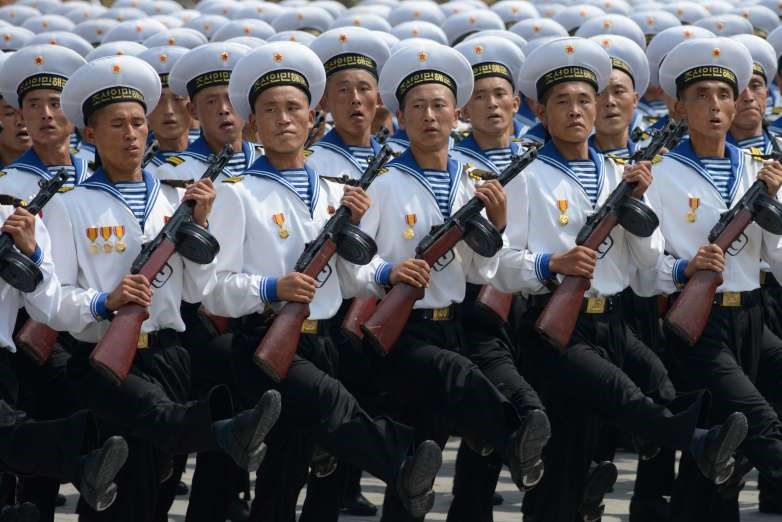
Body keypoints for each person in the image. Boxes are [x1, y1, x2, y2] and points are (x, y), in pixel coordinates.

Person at [491, 36, 748, 522]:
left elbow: (645, 267)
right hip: (553, 325)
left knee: (576, 451)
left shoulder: (618, 175)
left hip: (611, 321)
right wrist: (551, 264)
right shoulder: (525, 176)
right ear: (540, 112)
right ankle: (697, 440)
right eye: (562, 102)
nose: (576, 111)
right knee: (617, 399)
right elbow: (499, 265)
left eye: (584, 100)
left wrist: (639, 210)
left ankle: (697, 443)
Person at [204, 41, 443, 522]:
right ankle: (400, 459)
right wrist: (272, 289)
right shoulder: (237, 194)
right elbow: (215, 289)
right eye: (270, 110)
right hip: (266, 340)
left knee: (287, 468)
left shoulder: (338, 195)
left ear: (313, 118)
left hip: (323, 341)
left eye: (294, 108)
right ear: (253, 124)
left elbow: (352, 276)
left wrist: (388, 272)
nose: (283, 119)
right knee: (335, 405)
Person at [41, 54, 281, 522]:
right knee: (123, 482)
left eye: (137, 123)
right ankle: (224, 430)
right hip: (106, 357)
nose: (131, 134)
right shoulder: (70, 206)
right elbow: (52, 299)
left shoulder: (173, 199)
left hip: (169, 354)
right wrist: (103, 301)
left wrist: (201, 227)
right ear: (89, 134)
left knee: (153, 488)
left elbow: (195, 291)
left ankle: (221, 430)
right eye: (116, 125)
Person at [355, 40, 551, 522]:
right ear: (399, 117)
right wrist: (388, 271)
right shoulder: (383, 183)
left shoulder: (471, 182)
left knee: (421, 456)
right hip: (402, 331)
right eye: (417, 107)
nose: (430, 116)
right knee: (456, 376)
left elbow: (481, 273)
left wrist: (497, 228)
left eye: (439, 105)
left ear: (456, 114)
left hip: (453, 324)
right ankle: (511, 436)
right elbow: (352, 267)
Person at [648, 36, 782, 522]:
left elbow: (777, 258)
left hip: (752, 317)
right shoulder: (660, 175)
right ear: (680, 108)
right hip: (698, 324)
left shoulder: (758, 171)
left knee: (720, 441)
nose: (715, 105)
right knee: (758, 422)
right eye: (701, 95)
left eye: (724, 94)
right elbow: (644, 266)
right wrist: (684, 268)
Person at [447, 34, 557, 522]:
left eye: (500, 94)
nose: (491, 104)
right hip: (476, 305)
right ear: (463, 109)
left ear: (517, 102)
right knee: (494, 413)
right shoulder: (452, 164)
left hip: (531, 304)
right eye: (479, 96)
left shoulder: (540, 163)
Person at [303, 26, 392, 520]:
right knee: (333, 412)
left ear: (379, 97)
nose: (355, 100)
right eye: (342, 91)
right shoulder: (314, 161)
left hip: (385, 296)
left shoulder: (393, 157)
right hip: (336, 302)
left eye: (364, 89)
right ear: (325, 102)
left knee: (367, 398)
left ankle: (349, 485)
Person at [0, 201, 127, 517]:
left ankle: (79, 450)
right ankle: (80, 450)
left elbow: (47, 307)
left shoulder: (12, 218)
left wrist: (32, 254)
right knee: (10, 433)